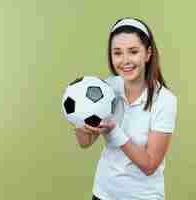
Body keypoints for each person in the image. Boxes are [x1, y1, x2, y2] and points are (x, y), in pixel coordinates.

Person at [73, 17, 177, 200]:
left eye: (133, 51)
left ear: (148, 53)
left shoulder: (165, 100)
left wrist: (114, 130)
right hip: (103, 193)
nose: (125, 60)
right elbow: (85, 143)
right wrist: (80, 117)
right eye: (117, 53)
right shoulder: (105, 89)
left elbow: (150, 165)